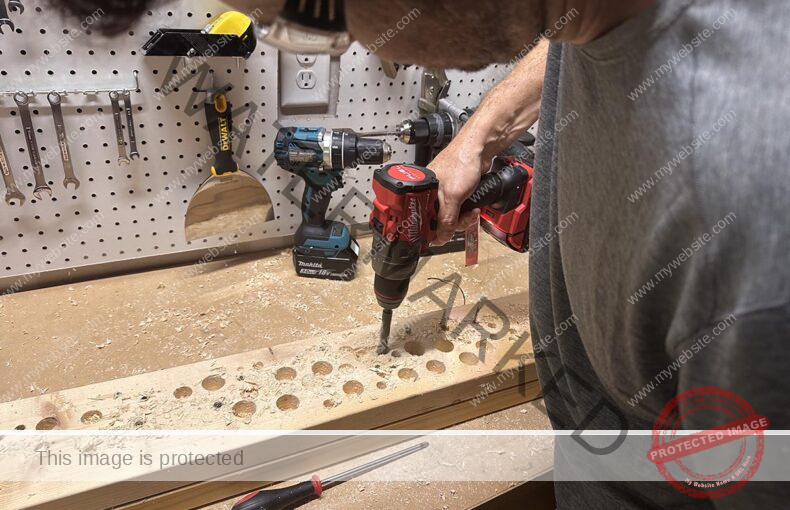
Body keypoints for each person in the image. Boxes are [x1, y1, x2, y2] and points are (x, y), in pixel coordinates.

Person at [52, 0, 790, 507]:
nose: (361, 46)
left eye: (323, 10)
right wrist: (479, 136)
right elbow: (568, 29)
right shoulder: (593, 13)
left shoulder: (751, 218)